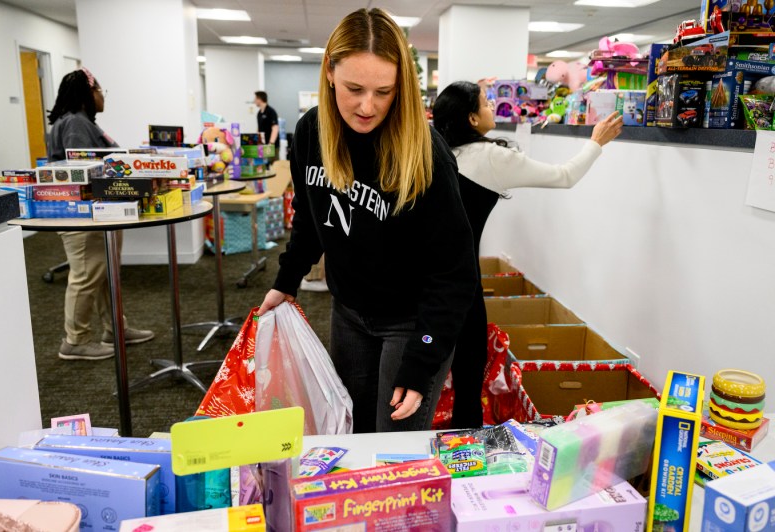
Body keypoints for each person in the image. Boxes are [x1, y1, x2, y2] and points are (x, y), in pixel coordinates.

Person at [257, 8, 477, 433]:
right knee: (351, 435)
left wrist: (422, 361)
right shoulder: (311, 133)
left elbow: (456, 272)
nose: (366, 106)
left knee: (392, 456)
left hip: (414, 322)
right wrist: (286, 281)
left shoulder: (426, 153)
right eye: (353, 88)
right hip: (350, 312)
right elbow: (311, 217)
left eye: (384, 92)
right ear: (329, 73)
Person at [432, 81, 623, 428]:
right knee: (468, 370)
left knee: (423, 374)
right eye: (487, 104)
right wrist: (596, 142)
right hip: (461, 284)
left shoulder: (434, 153)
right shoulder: (491, 157)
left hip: (424, 279)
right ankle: (466, 447)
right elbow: (564, 176)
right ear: (472, 119)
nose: (493, 109)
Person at [47, 68, 154, 360]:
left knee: (104, 273)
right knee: (85, 275)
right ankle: (75, 341)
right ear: (88, 94)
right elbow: (85, 170)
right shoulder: (75, 124)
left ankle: (115, 328)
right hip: (83, 216)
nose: (101, 97)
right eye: (99, 92)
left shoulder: (79, 123)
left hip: (99, 213)